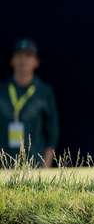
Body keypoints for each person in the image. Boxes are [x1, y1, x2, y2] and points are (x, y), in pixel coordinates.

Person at [0, 38, 59, 168]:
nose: (23, 60)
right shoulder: (2, 91)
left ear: (36, 62)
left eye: (28, 55)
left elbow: (52, 133)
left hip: (34, 166)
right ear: (12, 60)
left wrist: (45, 168)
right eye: (19, 55)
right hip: (3, 167)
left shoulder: (44, 92)